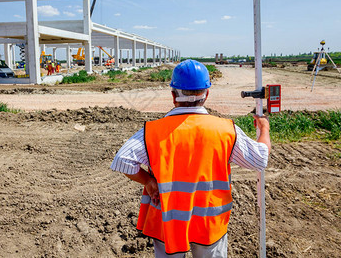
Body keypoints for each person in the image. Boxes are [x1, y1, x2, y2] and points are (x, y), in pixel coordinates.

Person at [110, 59, 271, 258]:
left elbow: (122, 160)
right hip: (209, 221)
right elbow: (260, 159)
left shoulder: (152, 131)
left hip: (168, 220)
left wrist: (148, 181)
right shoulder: (226, 130)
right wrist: (264, 129)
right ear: (207, 94)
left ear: (173, 95)